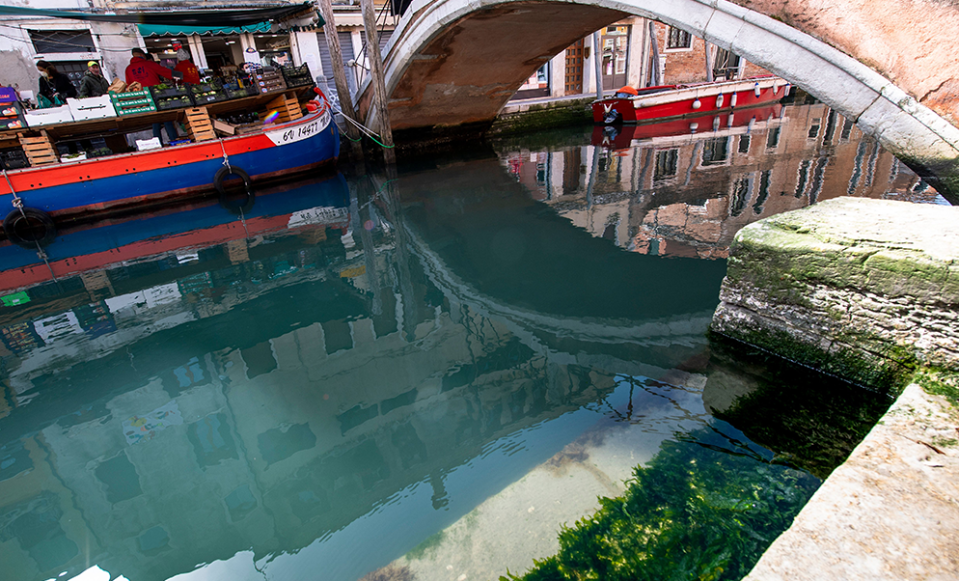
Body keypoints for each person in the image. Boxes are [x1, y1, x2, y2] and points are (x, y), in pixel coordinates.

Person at [125, 48, 182, 144]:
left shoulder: (128, 69)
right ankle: (174, 141)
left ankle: (158, 143)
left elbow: (129, 86)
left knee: (155, 121)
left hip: (143, 100)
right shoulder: (149, 64)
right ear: (142, 55)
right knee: (166, 119)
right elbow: (166, 72)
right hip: (157, 96)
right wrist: (181, 75)